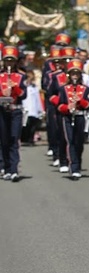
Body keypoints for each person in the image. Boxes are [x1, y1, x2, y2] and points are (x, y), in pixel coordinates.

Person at [55, 59, 89, 180]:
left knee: (79, 142)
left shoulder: (85, 89)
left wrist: (79, 101)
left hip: (80, 116)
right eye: (72, 73)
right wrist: (68, 107)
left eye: (77, 73)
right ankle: (74, 167)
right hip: (67, 117)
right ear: (69, 75)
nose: (75, 76)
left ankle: (78, 163)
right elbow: (59, 105)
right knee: (70, 141)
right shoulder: (63, 89)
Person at [0, 46, 27, 182]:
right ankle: (6, 167)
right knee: (4, 140)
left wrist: (14, 88)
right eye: (7, 61)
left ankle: (14, 169)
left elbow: (24, 95)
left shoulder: (21, 76)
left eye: (12, 61)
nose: (9, 64)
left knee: (14, 139)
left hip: (15, 109)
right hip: (2, 110)